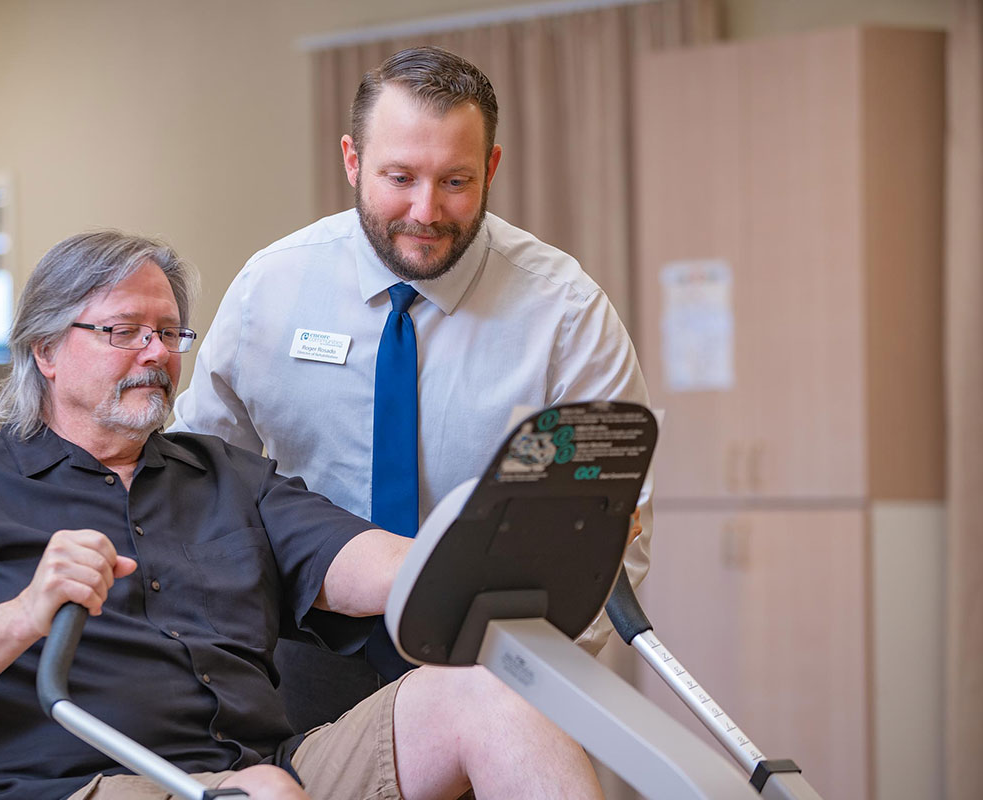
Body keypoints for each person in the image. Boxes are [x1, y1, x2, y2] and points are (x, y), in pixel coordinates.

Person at [0, 231, 603, 800]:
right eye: (122, 331)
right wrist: (24, 616)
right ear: (45, 350)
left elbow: (381, 565)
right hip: (86, 788)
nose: (155, 353)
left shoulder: (226, 476)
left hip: (270, 776)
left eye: (168, 334)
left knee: (490, 689)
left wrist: (515, 537)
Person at [171, 45, 653, 730]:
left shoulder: (564, 313)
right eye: (400, 177)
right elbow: (197, 476)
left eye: (455, 181)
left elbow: (613, 530)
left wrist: (536, 683)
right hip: (300, 650)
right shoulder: (270, 290)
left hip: (489, 655)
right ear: (352, 161)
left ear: (490, 167)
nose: (425, 211)